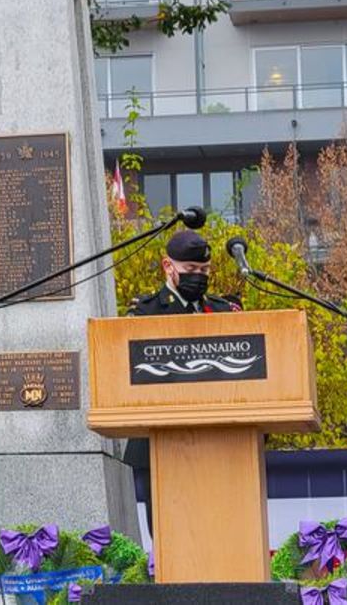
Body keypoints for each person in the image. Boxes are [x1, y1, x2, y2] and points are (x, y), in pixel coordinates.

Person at [124, 230, 241, 536]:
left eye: (204, 271)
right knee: (169, 533)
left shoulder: (224, 312)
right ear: (168, 266)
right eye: (190, 271)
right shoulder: (143, 313)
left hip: (221, 443)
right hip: (161, 443)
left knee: (221, 532)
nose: (199, 277)